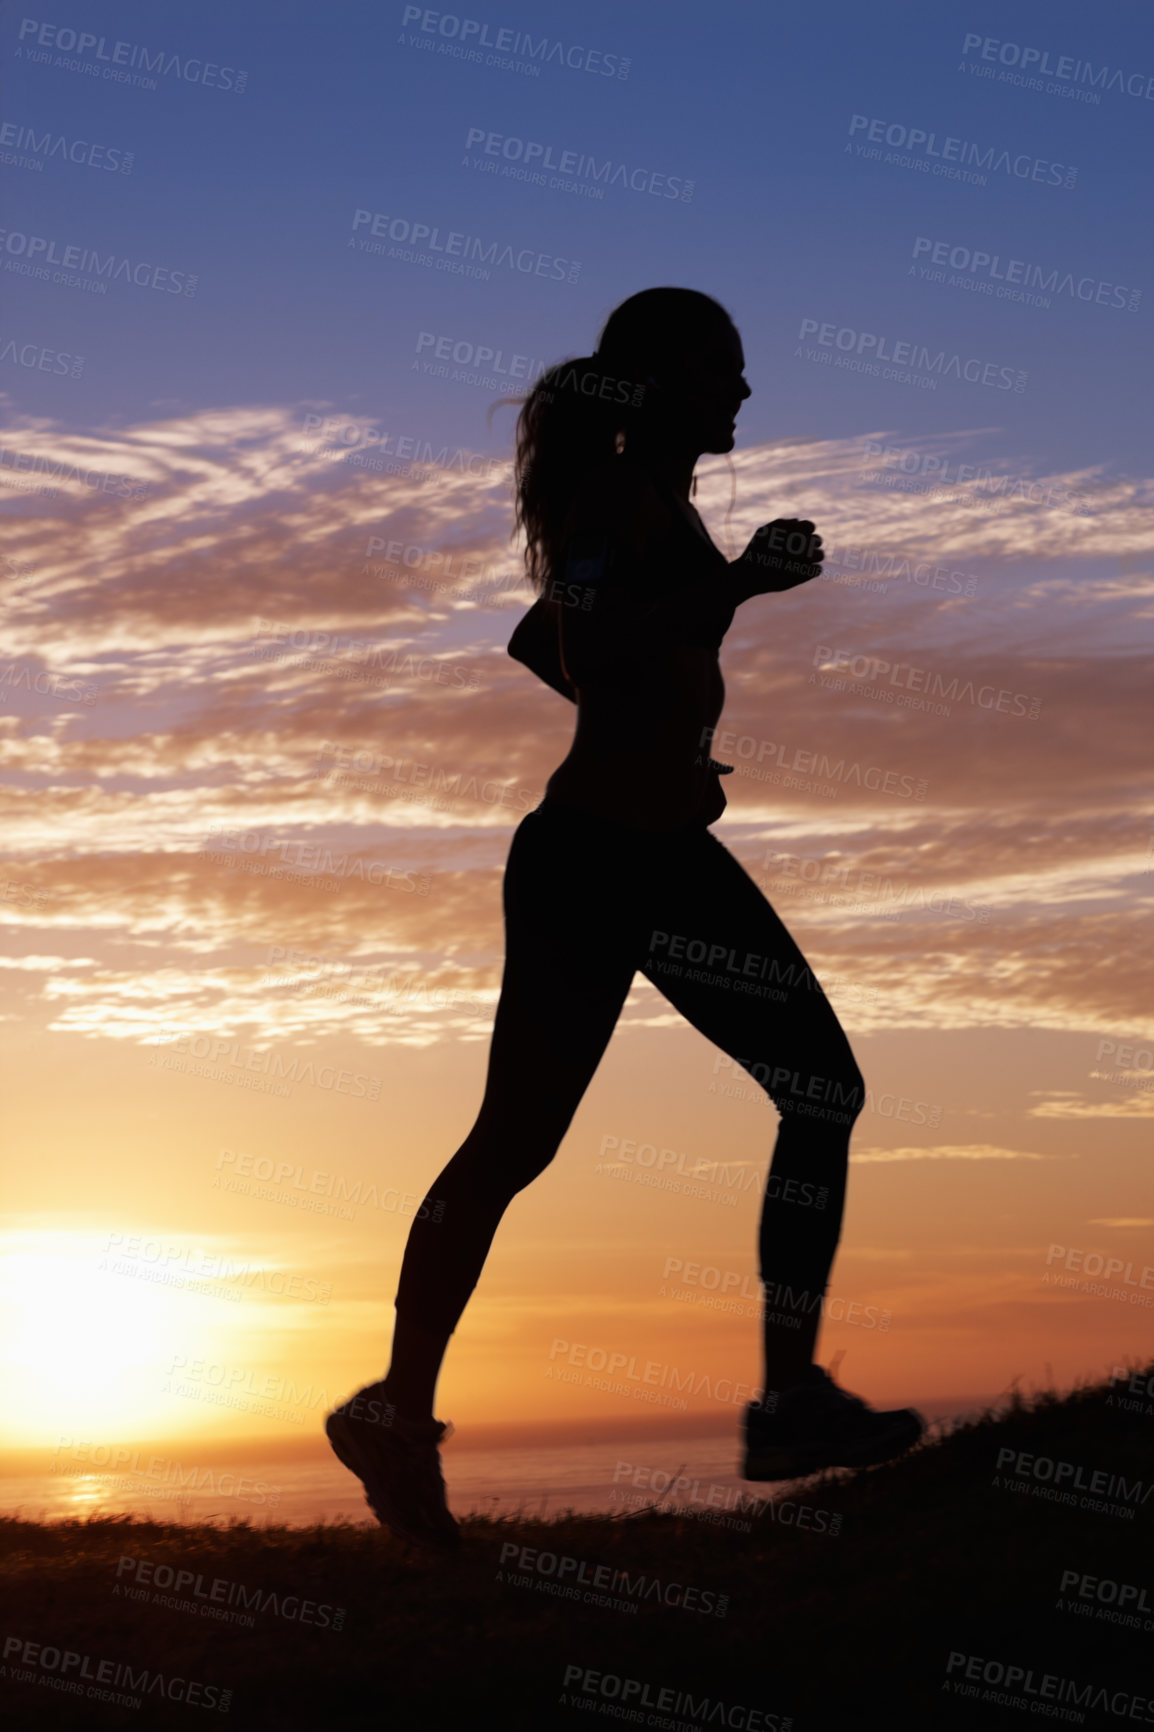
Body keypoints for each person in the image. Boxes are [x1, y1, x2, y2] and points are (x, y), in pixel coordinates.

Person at [326, 287, 924, 1549]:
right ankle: (401, 1406)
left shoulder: (647, 498)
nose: (746, 396)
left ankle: (781, 1400)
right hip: (597, 863)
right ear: (670, 383)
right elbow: (589, 648)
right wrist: (737, 595)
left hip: (653, 851)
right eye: (730, 374)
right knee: (519, 1144)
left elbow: (537, 640)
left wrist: (667, 729)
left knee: (811, 1090)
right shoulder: (615, 498)